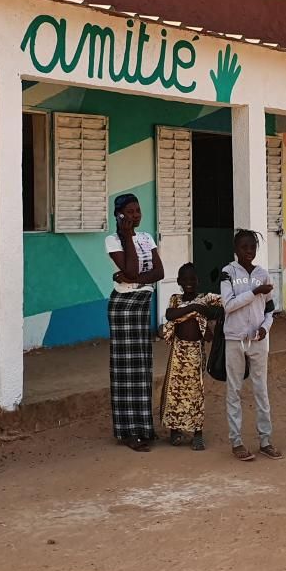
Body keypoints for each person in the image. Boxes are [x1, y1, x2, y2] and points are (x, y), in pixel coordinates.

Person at [105, 194, 164, 452]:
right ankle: (127, 431)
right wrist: (127, 237)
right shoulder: (112, 240)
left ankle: (143, 427)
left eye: (138, 210)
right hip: (123, 306)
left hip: (142, 303)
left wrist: (133, 276)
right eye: (129, 212)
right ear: (119, 215)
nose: (135, 215)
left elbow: (159, 273)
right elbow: (128, 269)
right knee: (124, 371)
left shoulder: (147, 238)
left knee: (142, 368)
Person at [221, 229, 282, 462]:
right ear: (236, 249)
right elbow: (228, 305)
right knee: (234, 390)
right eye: (244, 247)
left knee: (261, 389)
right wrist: (254, 292)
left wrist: (265, 327)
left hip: (258, 340)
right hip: (234, 339)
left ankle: (265, 440)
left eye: (252, 247)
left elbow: (269, 310)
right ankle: (236, 442)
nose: (249, 251)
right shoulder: (227, 273)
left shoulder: (263, 275)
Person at [160, 263, 221, 451]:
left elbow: (220, 307)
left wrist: (200, 308)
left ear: (198, 281)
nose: (189, 283)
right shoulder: (175, 300)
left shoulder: (205, 299)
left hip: (196, 353)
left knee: (196, 394)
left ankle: (197, 434)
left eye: (192, 279)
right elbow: (170, 315)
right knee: (175, 393)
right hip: (178, 352)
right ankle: (175, 431)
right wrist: (194, 307)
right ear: (178, 281)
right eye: (185, 279)